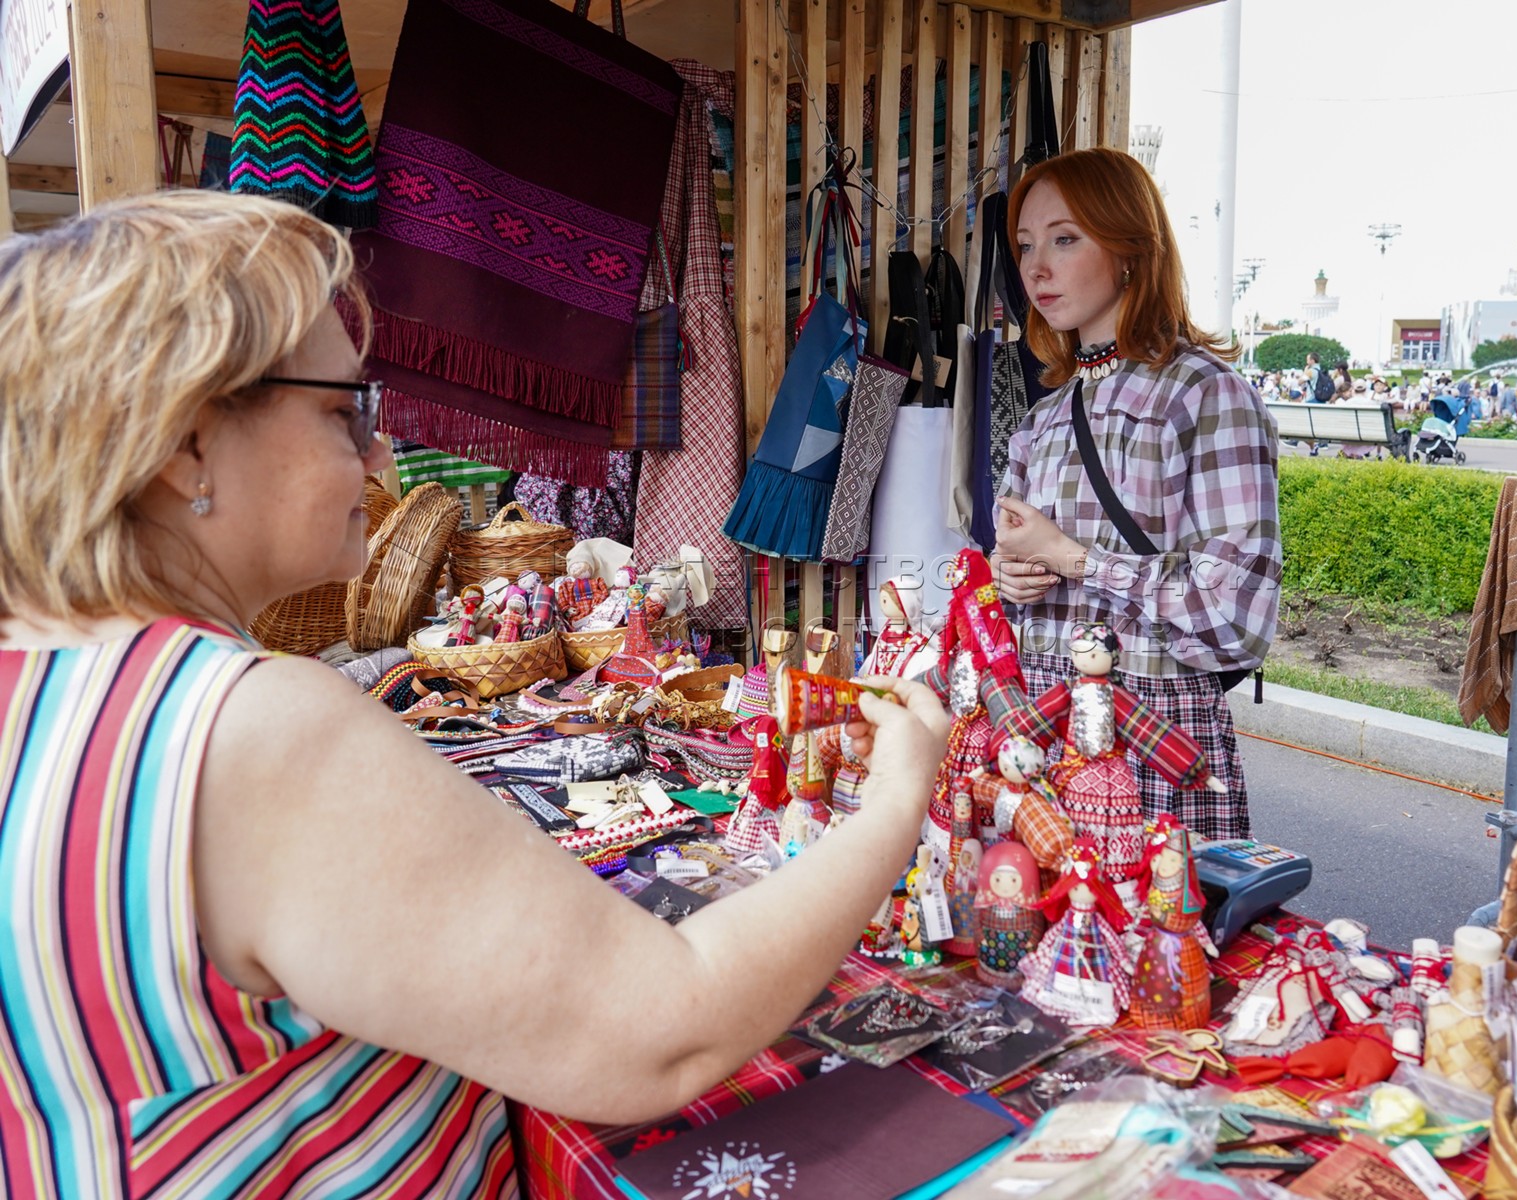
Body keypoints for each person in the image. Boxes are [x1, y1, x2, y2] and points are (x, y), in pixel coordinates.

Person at [0, 191, 952, 1197]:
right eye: (343, 410)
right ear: (187, 442)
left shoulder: (41, 680)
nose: (382, 458)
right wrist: (896, 800)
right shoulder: (244, 728)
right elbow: (660, 1034)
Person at [988, 147, 1281, 847]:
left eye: (1065, 238)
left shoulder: (1205, 393)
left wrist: (1073, 558)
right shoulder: (1043, 418)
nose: (1037, 267)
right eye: (1026, 245)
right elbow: (1011, 580)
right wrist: (1012, 577)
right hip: (1040, 743)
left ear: (1128, 248)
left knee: (1158, 948)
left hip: (1153, 746)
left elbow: (1234, 617)